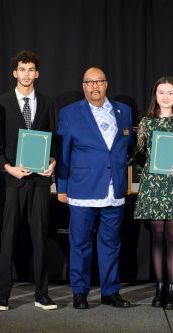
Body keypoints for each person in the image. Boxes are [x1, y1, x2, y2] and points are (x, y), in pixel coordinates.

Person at [56, 67, 134, 309]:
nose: (94, 86)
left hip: (114, 189)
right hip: (82, 189)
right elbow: (63, 152)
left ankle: (110, 291)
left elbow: (126, 146)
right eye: (89, 82)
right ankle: (80, 292)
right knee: (80, 243)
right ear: (83, 86)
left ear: (106, 84)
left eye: (98, 81)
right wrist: (62, 187)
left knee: (111, 243)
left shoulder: (124, 111)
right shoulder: (69, 113)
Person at [0, 50, 58, 311]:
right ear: (14, 73)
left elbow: (55, 137)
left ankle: (42, 293)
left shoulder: (47, 102)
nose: (26, 74)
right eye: (22, 69)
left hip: (40, 181)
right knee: (7, 236)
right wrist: (8, 168)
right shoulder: (0, 102)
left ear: (37, 73)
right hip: (13, 180)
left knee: (40, 236)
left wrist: (52, 162)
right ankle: (2, 294)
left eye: (31, 69)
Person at [132, 76, 173, 310]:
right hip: (153, 188)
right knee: (156, 239)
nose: (166, 97)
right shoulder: (147, 123)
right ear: (155, 95)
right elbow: (139, 156)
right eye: (161, 92)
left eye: (171, 92)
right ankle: (159, 287)